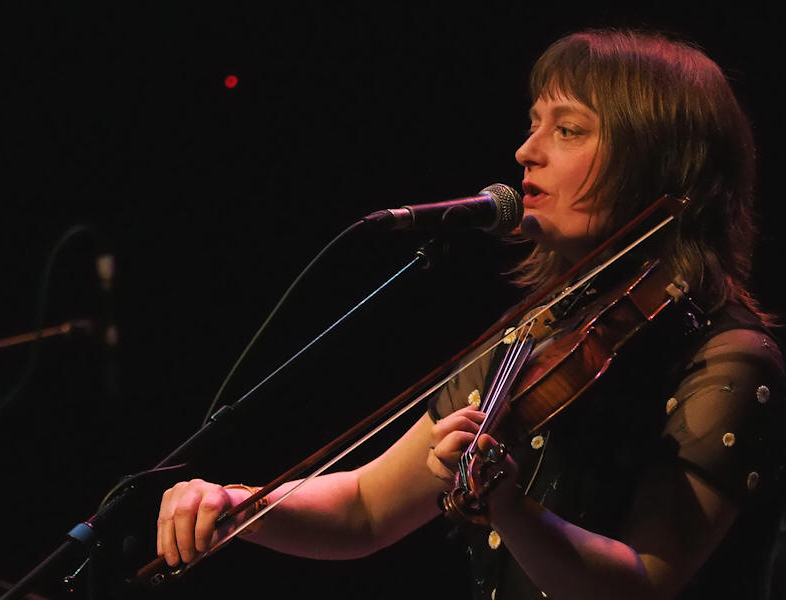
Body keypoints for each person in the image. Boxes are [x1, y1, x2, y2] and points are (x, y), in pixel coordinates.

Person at [155, 29, 786, 599]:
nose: (526, 151)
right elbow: (366, 508)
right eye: (534, 124)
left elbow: (645, 585)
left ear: (659, 161)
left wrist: (509, 507)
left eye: (568, 130)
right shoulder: (540, 329)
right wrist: (239, 505)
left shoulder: (726, 357)